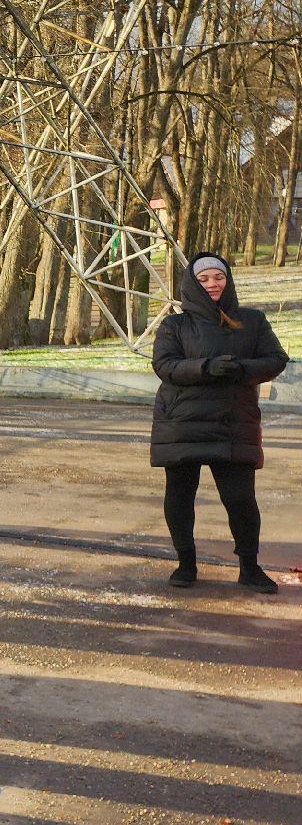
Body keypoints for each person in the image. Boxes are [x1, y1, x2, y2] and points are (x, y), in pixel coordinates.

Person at [151, 252, 290, 593]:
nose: (213, 284)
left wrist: (243, 369)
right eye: (204, 279)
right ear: (192, 285)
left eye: (219, 277)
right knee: (181, 495)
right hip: (182, 423)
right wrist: (204, 367)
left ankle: (249, 567)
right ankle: (186, 563)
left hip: (232, 423)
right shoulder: (175, 325)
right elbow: (164, 365)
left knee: (241, 499)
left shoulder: (252, 320)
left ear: (228, 280)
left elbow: (276, 359)